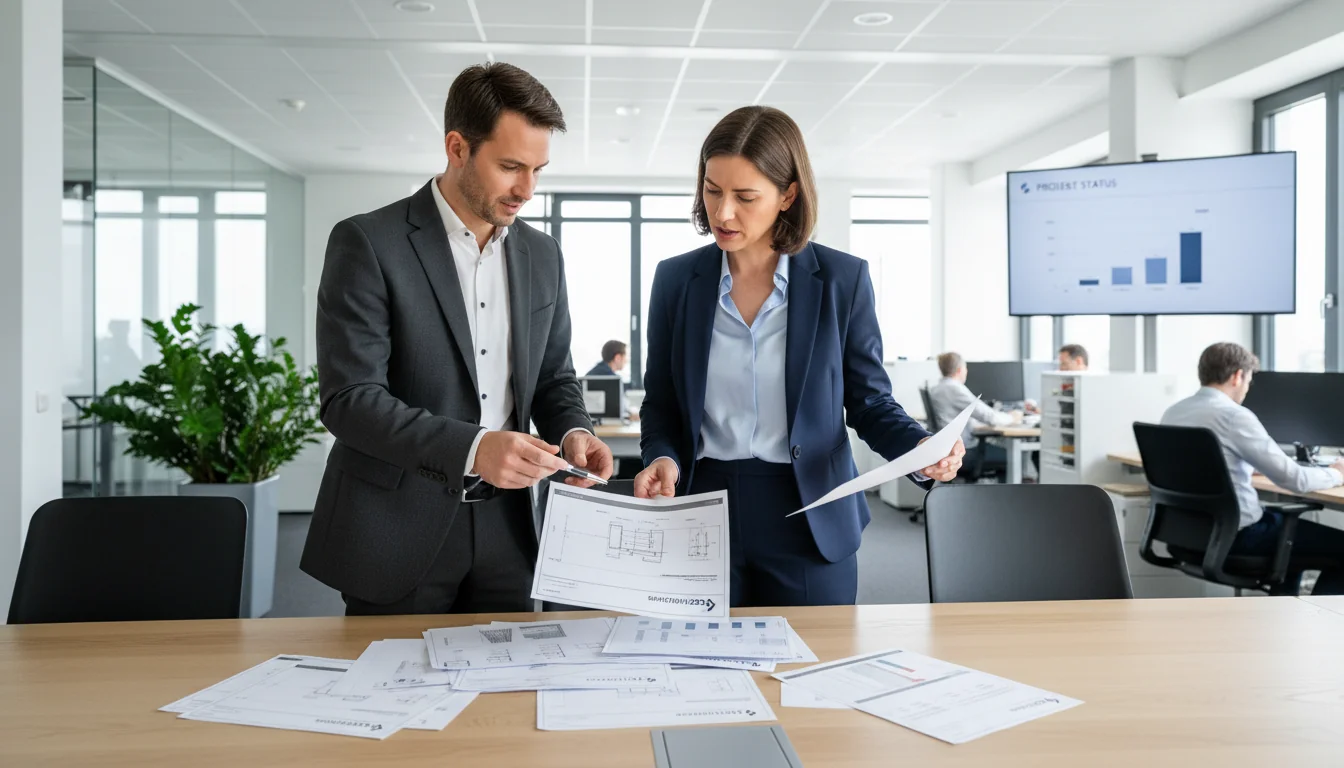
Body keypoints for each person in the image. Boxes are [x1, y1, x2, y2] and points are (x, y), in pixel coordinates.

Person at [303, 62, 614, 616]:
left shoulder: (542, 255)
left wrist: (573, 430)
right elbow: (349, 401)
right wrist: (472, 448)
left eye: (539, 170)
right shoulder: (368, 243)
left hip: (511, 527)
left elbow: (553, 376)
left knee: (511, 698)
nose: (527, 190)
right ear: (457, 147)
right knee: (393, 694)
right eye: (511, 166)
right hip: (399, 524)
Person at [635, 105, 964, 608]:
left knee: (813, 674)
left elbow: (870, 402)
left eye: (746, 197)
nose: (723, 213)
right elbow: (661, 401)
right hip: (702, 506)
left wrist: (922, 451)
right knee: (700, 672)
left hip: (810, 511)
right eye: (712, 189)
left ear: (787, 195)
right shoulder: (676, 281)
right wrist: (662, 456)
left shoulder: (842, 280)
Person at [1162, 342, 1344, 594]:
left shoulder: (1174, 412)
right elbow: (1296, 481)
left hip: (1190, 535)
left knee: (1293, 549)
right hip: (1240, 536)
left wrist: (1243, 467)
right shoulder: (1234, 416)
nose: (1247, 388)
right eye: (1248, 380)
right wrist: (1336, 473)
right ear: (1238, 376)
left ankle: (1284, 619)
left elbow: (1202, 465)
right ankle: (1322, 622)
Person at [928, 352, 1021, 469]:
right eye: (965, 368)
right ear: (959, 370)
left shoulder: (938, 388)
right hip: (964, 452)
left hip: (951, 450)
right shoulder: (954, 389)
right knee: (1014, 457)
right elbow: (990, 417)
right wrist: (1013, 417)